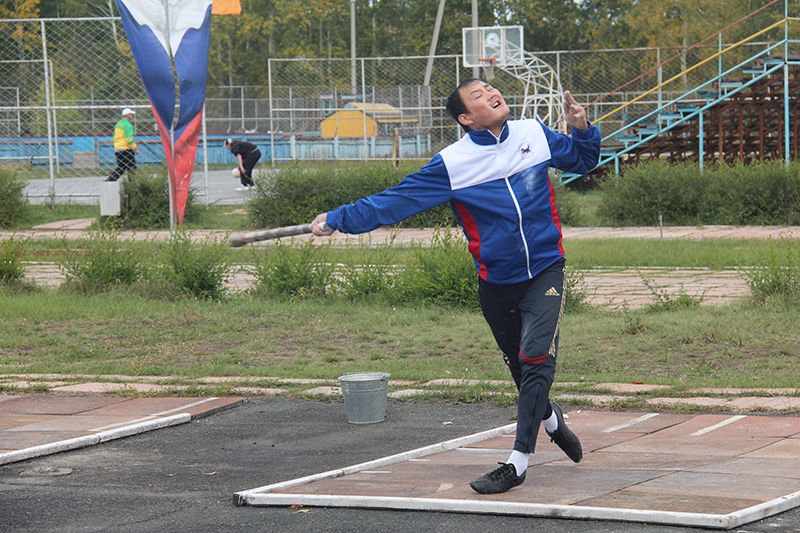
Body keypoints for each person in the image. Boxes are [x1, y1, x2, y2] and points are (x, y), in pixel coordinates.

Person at [310, 79, 601, 494]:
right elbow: (394, 202)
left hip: (545, 268)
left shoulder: (533, 134)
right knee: (521, 370)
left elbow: (584, 160)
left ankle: (517, 462)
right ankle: (551, 420)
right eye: (478, 95)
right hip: (496, 282)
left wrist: (582, 127)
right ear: (466, 118)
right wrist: (338, 219)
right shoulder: (453, 163)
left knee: (536, 356)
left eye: (490, 88)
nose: (491, 94)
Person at [106, 107, 139, 182]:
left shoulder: (119, 124)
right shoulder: (128, 125)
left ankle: (110, 180)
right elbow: (129, 139)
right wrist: (135, 148)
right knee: (131, 167)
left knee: (121, 167)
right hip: (126, 149)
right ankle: (133, 183)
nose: (132, 116)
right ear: (127, 115)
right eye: (131, 114)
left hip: (118, 148)